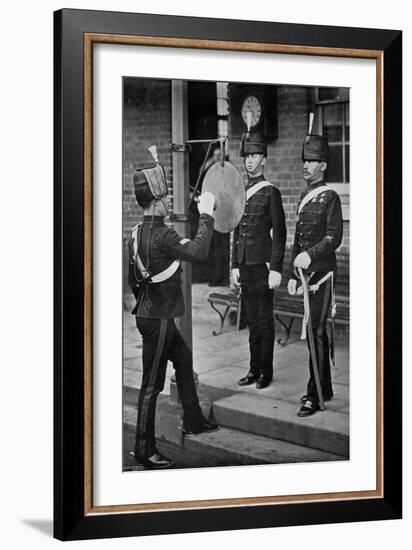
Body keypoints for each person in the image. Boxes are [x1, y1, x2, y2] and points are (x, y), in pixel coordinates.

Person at [128, 160, 219, 470]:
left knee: (183, 359)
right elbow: (198, 251)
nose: (168, 202)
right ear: (157, 199)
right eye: (165, 197)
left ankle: (192, 420)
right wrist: (206, 214)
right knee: (151, 385)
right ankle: (144, 450)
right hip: (160, 320)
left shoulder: (137, 232)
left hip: (150, 313)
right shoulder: (163, 235)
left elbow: (133, 280)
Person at [287, 133, 343, 417]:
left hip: (323, 277)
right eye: (304, 161)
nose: (305, 166)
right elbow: (298, 237)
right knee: (314, 335)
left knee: (316, 334)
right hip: (306, 278)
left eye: (311, 161)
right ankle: (326, 387)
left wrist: (310, 255)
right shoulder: (303, 197)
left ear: (323, 164)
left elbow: (334, 237)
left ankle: (314, 395)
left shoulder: (330, 197)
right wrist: (293, 275)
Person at [231, 132, 286, 389]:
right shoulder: (241, 192)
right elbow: (235, 228)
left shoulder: (270, 192)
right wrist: (234, 264)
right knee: (251, 320)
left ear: (263, 159)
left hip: (263, 267)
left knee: (264, 320)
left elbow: (280, 233)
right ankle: (253, 369)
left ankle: (266, 371)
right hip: (245, 265)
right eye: (247, 157)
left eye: (254, 156)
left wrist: (276, 268)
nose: (249, 161)